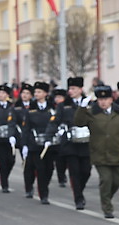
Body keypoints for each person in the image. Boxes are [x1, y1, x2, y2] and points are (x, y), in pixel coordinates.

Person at [74, 85, 119, 219]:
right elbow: (79, 122)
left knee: (117, 181)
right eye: (100, 99)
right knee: (106, 179)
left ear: (111, 99)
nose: (103, 102)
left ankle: (107, 196)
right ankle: (107, 207)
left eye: (106, 99)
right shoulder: (92, 113)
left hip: (116, 152)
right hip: (99, 153)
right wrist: (82, 108)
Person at [46, 77, 92, 210]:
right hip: (70, 144)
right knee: (74, 172)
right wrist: (50, 135)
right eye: (70, 89)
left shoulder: (89, 104)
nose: (70, 91)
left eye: (73, 89)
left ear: (80, 89)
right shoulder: (63, 105)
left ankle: (80, 190)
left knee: (86, 171)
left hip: (86, 143)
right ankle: (78, 198)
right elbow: (54, 121)